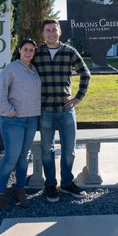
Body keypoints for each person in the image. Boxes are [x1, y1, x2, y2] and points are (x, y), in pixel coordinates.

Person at [34, 19, 91, 203]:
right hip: (45, 110)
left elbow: (85, 73)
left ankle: (67, 183)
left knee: (69, 150)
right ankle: (50, 185)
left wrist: (78, 98)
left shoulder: (69, 51)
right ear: (43, 33)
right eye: (47, 30)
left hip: (66, 110)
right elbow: (19, 68)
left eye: (54, 29)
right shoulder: (36, 52)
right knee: (46, 150)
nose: (51, 33)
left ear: (60, 32)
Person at [0, 39, 41, 210]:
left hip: (31, 119)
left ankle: (19, 189)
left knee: (23, 157)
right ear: (19, 50)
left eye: (31, 50)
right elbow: (0, 92)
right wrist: (9, 111)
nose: (28, 52)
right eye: (25, 49)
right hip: (13, 120)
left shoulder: (34, 70)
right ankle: (0, 193)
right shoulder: (11, 68)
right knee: (11, 158)